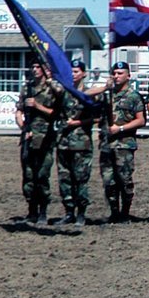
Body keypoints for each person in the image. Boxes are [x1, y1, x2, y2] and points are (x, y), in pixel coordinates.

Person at [96, 61, 147, 223]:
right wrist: (105, 88)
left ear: (128, 76)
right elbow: (87, 95)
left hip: (124, 145)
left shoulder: (134, 96)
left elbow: (141, 121)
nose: (116, 76)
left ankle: (125, 212)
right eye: (114, 73)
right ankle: (114, 212)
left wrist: (121, 128)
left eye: (120, 73)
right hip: (106, 144)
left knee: (124, 180)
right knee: (108, 181)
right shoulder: (106, 95)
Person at [52, 62, 99, 226]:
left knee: (80, 180)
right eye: (71, 71)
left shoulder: (90, 94)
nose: (73, 74)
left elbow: (97, 117)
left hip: (81, 143)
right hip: (64, 142)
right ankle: (69, 212)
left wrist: (78, 123)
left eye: (77, 71)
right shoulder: (64, 93)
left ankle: (81, 213)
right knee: (64, 179)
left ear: (84, 74)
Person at [15, 61, 60, 222]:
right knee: (28, 176)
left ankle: (43, 211)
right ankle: (31, 210)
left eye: (38, 67)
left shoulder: (52, 89)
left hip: (45, 138)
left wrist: (37, 105)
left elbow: (56, 113)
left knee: (42, 175)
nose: (34, 70)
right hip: (28, 138)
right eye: (32, 67)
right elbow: (19, 111)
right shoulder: (27, 88)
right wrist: (23, 128)